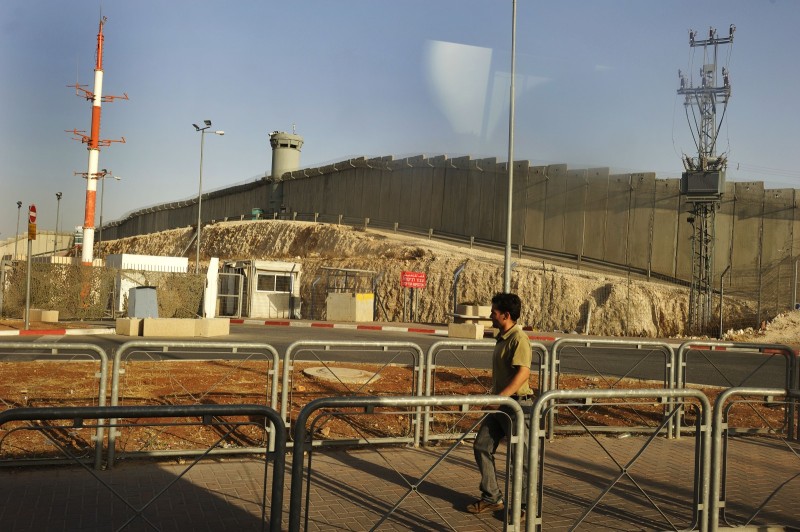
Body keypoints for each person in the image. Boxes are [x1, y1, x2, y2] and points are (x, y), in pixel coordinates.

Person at [467, 292, 532, 517]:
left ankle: (523, 507)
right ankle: (492, 497)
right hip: (501, 404)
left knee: (519, 459)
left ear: (505, 315)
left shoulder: (518, 339)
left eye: (493, 312)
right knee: (482, 446)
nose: (490, 315)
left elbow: (524, 372)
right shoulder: (502, 337)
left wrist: (500, 399)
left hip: (516, 406)